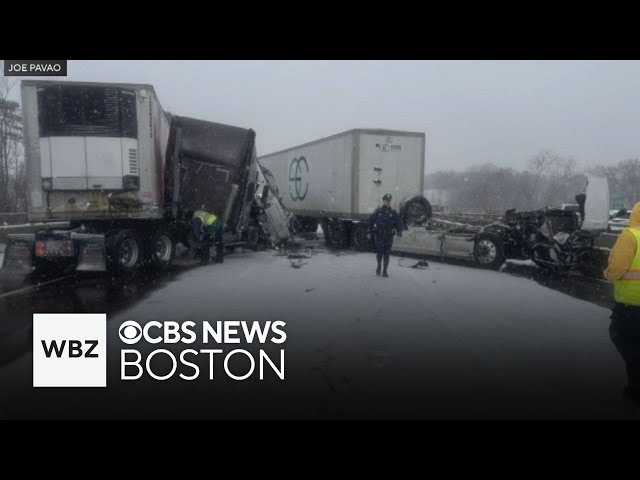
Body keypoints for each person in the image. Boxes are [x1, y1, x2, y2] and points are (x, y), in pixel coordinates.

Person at [604, 201, 640, 405]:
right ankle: (634, 388)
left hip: (631, 306)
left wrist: (608, 274)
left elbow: (617, 268)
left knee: (623, 338)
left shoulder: (631, 236)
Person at [367, 193, 403, 277]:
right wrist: (369, 231)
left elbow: (398, 223)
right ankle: (379, 265)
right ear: (383, 201)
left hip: (389, 236)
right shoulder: (378, 211)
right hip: (379, 236)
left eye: (389, 201)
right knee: (379, 253)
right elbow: (371, 221)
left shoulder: (393, 212)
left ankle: (385, 271)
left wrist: (399, 232)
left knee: (387, 253)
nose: (388, 202)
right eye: (386, 201)